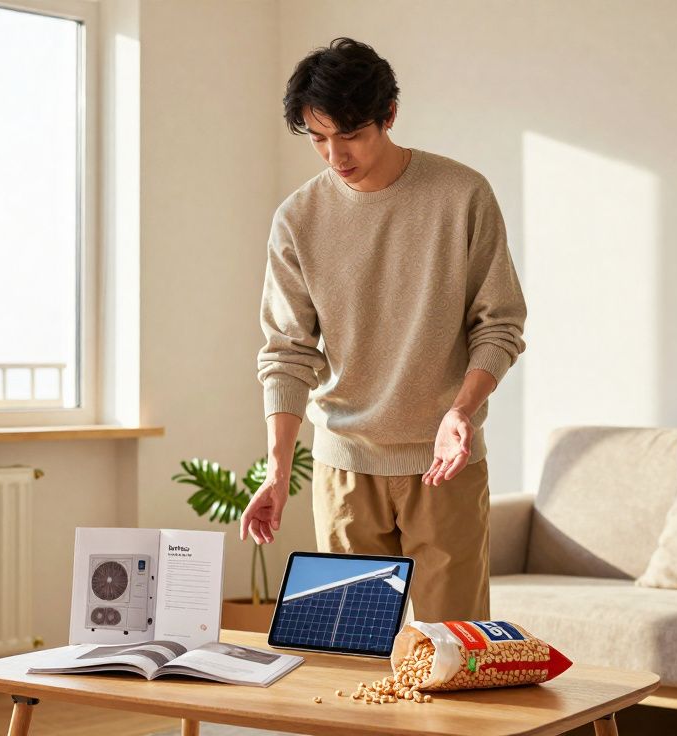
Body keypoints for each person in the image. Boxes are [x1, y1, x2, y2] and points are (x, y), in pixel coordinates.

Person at [240, 37, 527, 622]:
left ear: (389, 116)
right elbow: (287, 352)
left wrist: (461, 411)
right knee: (354, 653)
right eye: (318, 138)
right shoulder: (297, 218)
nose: (334, 155)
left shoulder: (461, 195)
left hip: (445, 464)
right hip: (344, 466)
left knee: (455, 652)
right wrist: (275, 471)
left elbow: (499, 324)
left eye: (350, 134)